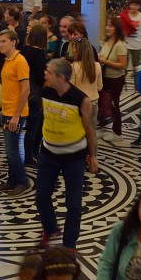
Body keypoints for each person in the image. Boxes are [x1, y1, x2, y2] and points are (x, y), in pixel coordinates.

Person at [36, 58, 99, 251]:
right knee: (41, 198)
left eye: (49, 72)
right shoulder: (46, 91)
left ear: (61, 77)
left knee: (73, 204)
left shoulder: (81, 100)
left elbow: (88, 129)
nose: (45, 74)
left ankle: (69, 244)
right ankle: (51, 228)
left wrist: (92, 156)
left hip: (74, 157)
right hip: (48, 153)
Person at [0, 29, 31, 194]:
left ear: (13, 42)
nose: (0, 44)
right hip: (7, 110)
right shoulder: (8, 60)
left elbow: (26, 90)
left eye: (3, 41)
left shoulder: (20, 61)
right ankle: (12, 181)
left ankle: (22, 182)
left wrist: (16, 115)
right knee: (10, 150)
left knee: (12, 151)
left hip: (15, 113)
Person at [21, 25, 48, 166]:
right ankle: (30, 156)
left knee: (28, 126)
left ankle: (29, 155)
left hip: (23, 91)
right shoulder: (39, 54)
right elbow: (40, 77)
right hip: (35, 94)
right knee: (34, 126)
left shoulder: (24, 50)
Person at [97, 17, 128, 138]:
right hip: (105, 77)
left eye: (111, 26)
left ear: (116, 28)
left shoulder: (120, 45)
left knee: (115, 104)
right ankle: (102, 126)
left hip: (116, 79)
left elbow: (122, 65)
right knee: (103, 103)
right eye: (107, 25)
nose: (107, 28)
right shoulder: (106, 42)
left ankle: (117, 132)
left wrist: (105, 61)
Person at [119, 0, 141, 69]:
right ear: (129, 5)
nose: (134, 7)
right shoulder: (124, 15)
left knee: (136, 66)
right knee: (124, 66)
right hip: (125, 44)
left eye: (136, 5)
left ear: (140, 6)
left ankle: (136, 77)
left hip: (137, 45)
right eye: (132, 4)